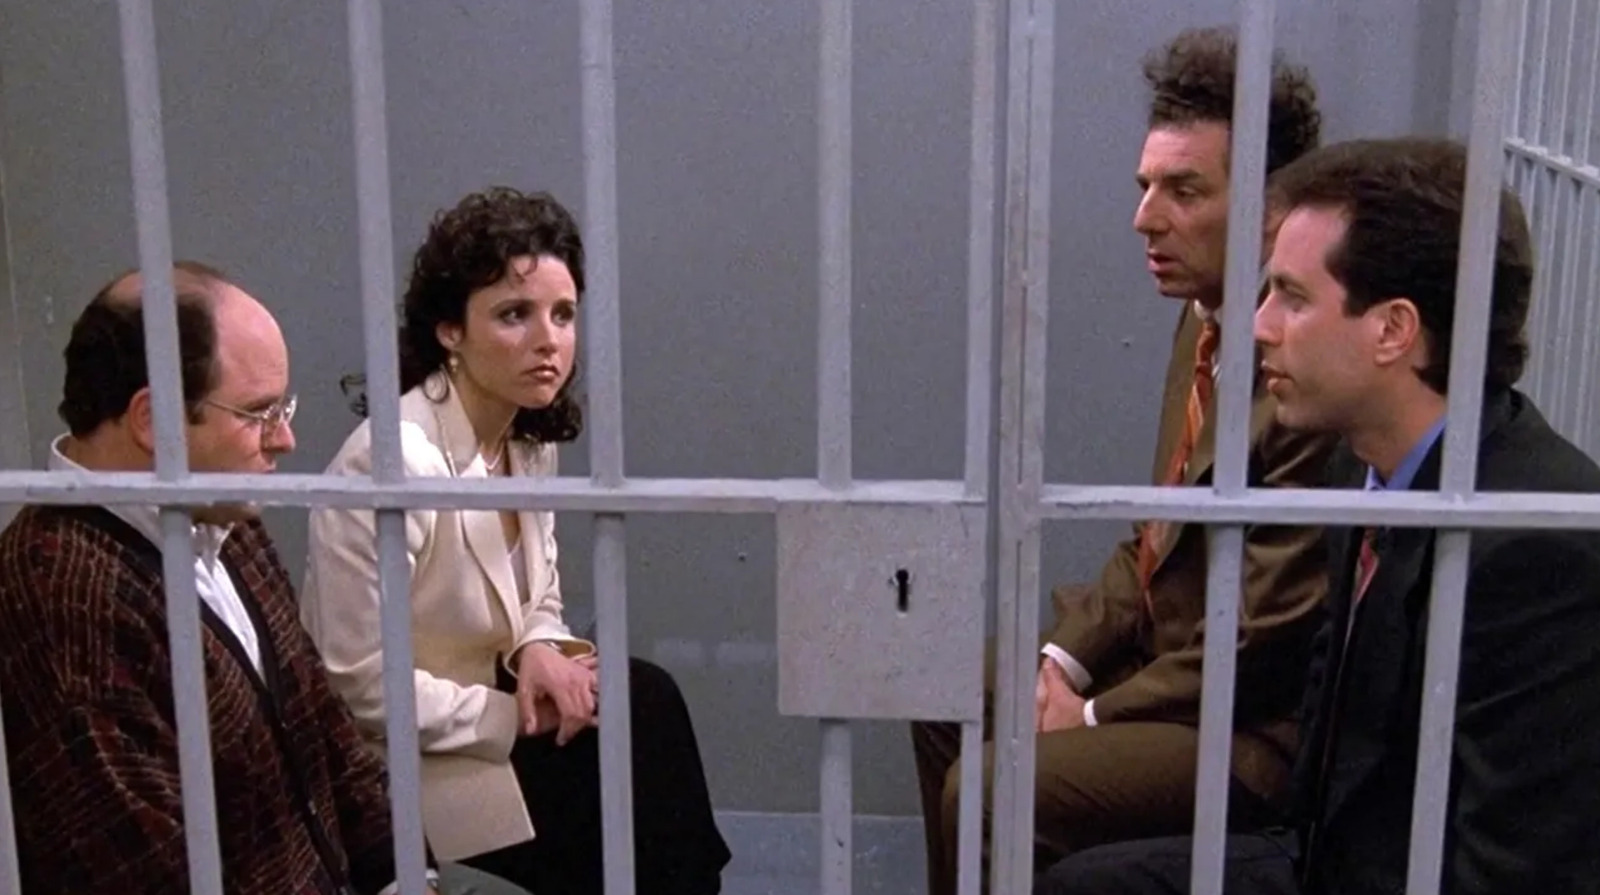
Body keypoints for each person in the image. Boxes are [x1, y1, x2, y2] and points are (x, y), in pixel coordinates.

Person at [1036, 136, 1600, 895]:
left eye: (1292, 297)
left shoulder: (1542, 549)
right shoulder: (1358, 462)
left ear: (1393, 330)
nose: (1259, 324)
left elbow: (1517, 870)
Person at [911, 26, 1339, 893]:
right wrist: (1061, 661)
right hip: (1164, 667)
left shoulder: (1303, 363)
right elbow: (1158, 531)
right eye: (1145, 186)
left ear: (1272, 210)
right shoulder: (1205, 318)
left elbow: (1263, 640)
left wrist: (1094, 709)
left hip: (1246, 728)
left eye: (1184, 190)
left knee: (992, 790)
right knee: (941, 690)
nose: (1145, 217)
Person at [0, 262, 528, 895]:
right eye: (259, 412)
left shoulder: (216, 511)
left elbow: (324, 721)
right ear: (154, 420)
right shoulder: (63, 596)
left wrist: (402, 871)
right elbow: (146, 872)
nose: (285, 438)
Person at [301, 187, 732, 895]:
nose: (549, 339)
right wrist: (515, 715)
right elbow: (358, 686)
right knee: (619, 783)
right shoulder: (390, 462)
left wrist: (540, 648)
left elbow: (541, 599)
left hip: (491, 717)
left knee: (643, 702)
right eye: (513, 314)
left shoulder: (526, 442)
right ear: (449, 330)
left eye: (563, 314)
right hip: (408, 761)